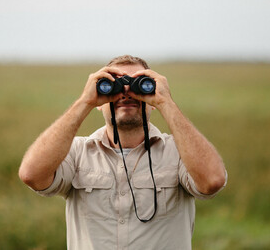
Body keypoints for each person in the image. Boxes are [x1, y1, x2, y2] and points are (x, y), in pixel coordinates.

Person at [19, 55, 227, 250]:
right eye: (115, 84)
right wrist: (84, 102)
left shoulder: (179, 152)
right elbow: (32, 175)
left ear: (152, 100)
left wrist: (166, 102)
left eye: (139, 85)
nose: (126, 93)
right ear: (100, 102)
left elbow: (212, 181)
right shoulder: (77, 152)